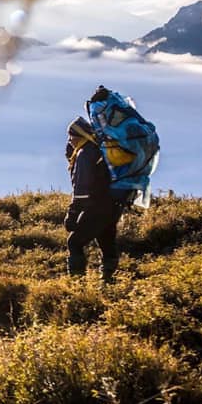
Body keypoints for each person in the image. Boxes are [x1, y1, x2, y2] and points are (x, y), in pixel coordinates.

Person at [64, 115, 122, 282]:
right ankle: (108, 283)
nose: (70, 140)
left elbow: (82, 188)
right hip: (113, 206)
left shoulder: (84, 154)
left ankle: (77, 286)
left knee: (74, 243)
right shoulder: (99, 150)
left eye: (71, 136)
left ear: (79, 136)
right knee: (107, 244)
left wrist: (73, 214)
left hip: (96, 207)